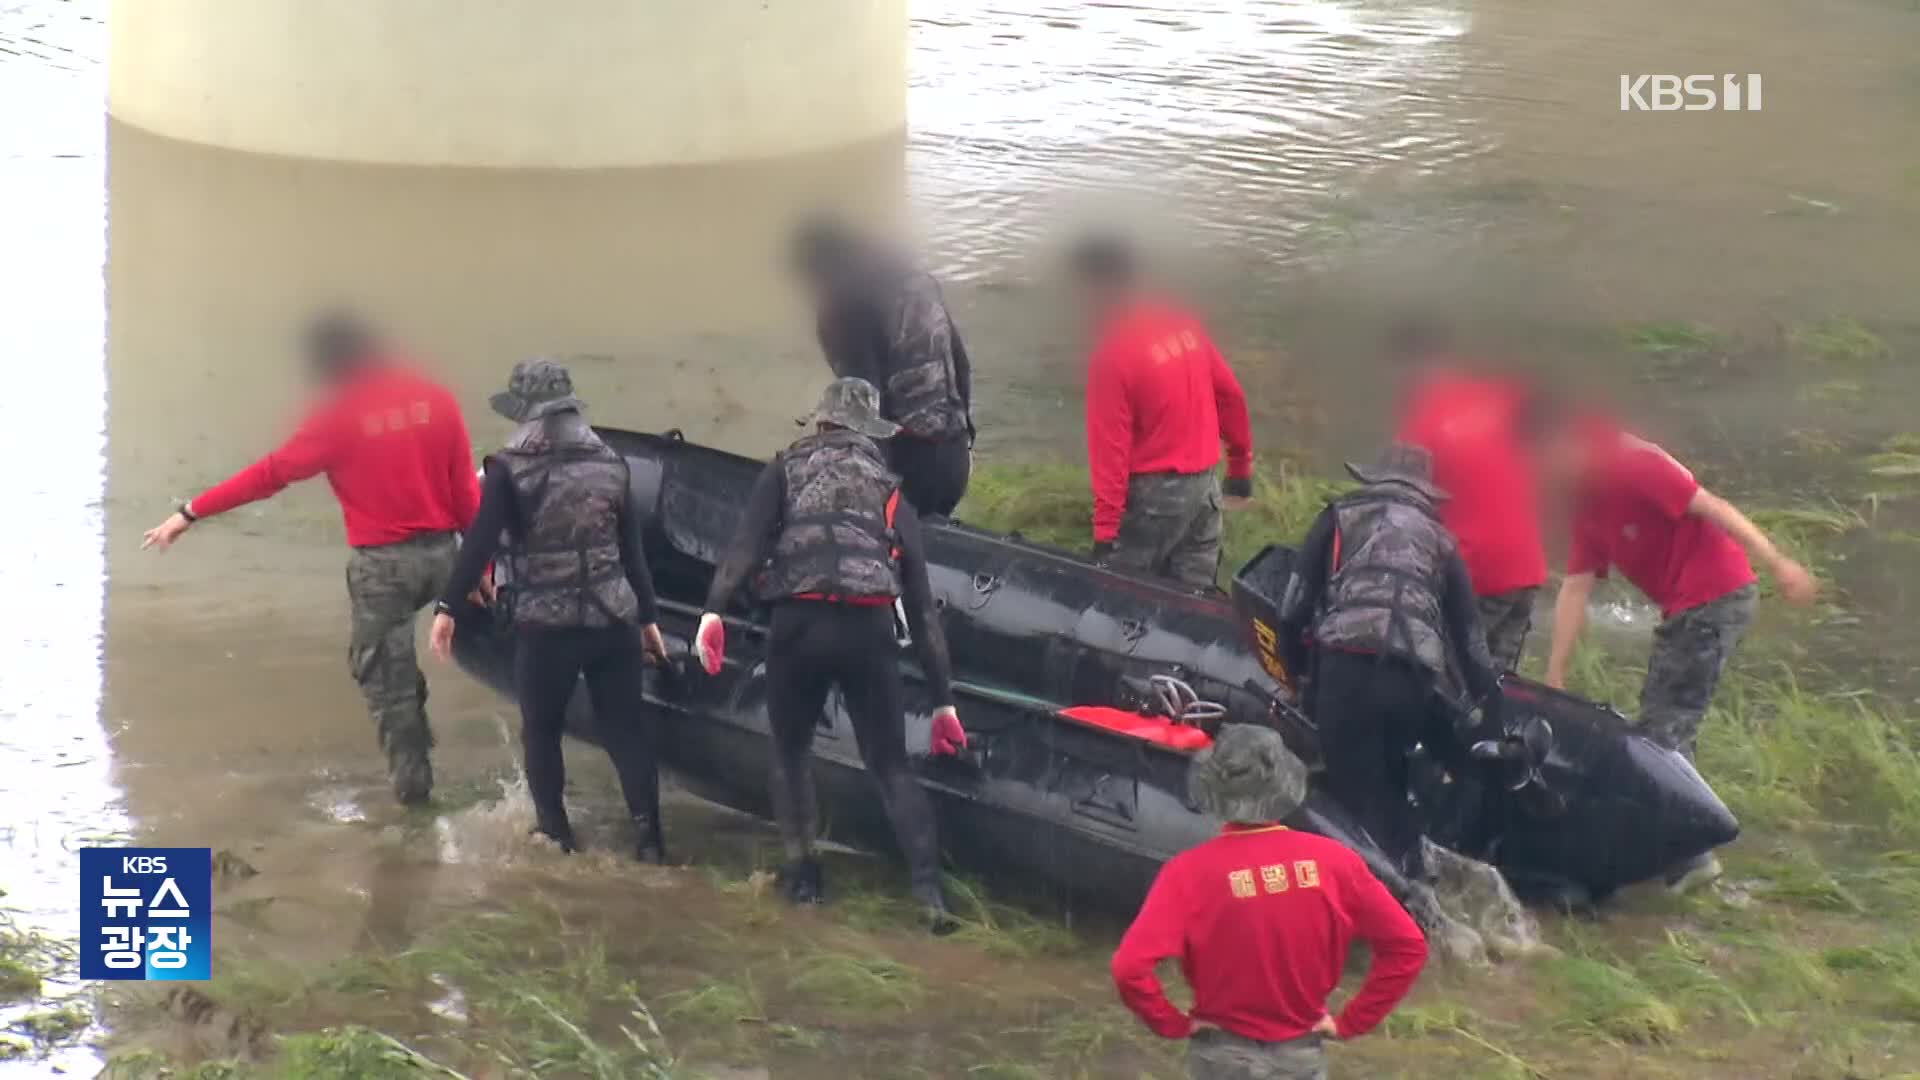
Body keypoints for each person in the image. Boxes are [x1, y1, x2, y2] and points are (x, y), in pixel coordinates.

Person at [142, 313, 480, 806]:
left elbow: (271, 474)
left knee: (387, 682)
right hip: (447, 556)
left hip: (383, 569)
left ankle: (415, 796)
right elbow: (466, 493)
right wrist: (482, 569)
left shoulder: (339, 416)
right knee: (464, 651)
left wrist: (191, 512)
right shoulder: (437, 400)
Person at [695, 377, 969, 928]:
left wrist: (712, 613)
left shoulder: (785, 468)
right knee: (890, 764)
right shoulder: (892, 489)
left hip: (799, 625)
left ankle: (805, 881)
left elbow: (744, 548)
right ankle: (929, 896)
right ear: (870, 432)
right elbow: (920, 607)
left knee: (790, 754)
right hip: (868, 629)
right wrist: (944, 705)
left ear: (821, 422)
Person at [1539, 418, 1816, 890]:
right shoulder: (1585, 503)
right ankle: (1680, 847)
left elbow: (1714, 507)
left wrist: (1777, 562)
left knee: (1662, 732)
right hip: (1685, 606)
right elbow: (1574, 591)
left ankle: (1692, 856)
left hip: (1716, 593)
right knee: (1663, 727)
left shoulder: (1632, 461)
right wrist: (1554, 674)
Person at [426, 359, 671, 860]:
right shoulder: (611, 463)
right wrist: (647, 620)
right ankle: (650, 839)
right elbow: (633, 555)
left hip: (548, 627)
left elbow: (479, 544)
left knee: (542, 729)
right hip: (613, 619)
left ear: (526, 413)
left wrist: (448, 606)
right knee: (625, 729)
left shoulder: (510, 469)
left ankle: (557, 836)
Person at [1112, 724, 1428, 1080]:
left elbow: (1129, 968)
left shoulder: (1187, 873)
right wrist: (1350, 1022)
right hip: (1300, 1056)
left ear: (1214, 791)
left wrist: (1173, 1023)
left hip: (1222, 1057)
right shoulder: (1336, 862)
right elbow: (1408, 947)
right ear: (1285, 787)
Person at [1273, 443, 1503, 884]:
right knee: (1390, 783)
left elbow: (1291, 610)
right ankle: (1414, 880)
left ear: (1373, 480)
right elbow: (1471, 641)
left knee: (1350, 793)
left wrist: (1298, 674)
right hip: (1412, 682)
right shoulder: (1442, 541)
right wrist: (1490, 711)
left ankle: (1379, 897)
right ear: (1425, 494)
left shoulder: (1338, 517)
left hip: (1346, 669)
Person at [1071, 233, 1254, 589]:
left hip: (1154, 497)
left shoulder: (1112, 355)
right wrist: (1240, 467)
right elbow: (1231, 395)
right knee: (1194, 599)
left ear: (1098, 287)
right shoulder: (1183, 325)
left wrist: (1106, 533)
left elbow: (1110, 452)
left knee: (1125, 595)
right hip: (1205, 487)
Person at [791, 216, 975, 518]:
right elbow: (961, 366)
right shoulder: (922, 283)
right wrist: (964, 443)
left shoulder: (844, 304)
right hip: (954, 460)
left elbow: (863, 403)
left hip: (908, 468)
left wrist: (875, 486)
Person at [1392, 322, 1547, 671]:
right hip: (1528, 567)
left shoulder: (1421, 424)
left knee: (1446, 683)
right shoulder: (1503, 397)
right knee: (1498, 689)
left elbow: (1398, 514)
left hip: (1477, 574)